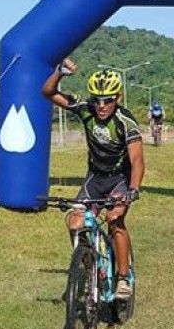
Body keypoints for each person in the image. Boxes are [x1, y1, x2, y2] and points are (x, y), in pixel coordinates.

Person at [42, 58, 145, 300]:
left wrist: (134, 189)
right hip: (95, 179)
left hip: (120, 179)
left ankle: (122, 278)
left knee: (114, 219)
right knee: (75, 223)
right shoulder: (85, 108)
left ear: (117, 98)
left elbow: (138, 160)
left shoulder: (125, 122)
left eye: (107, 100)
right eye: (97, 99)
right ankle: (90, 267)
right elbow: (48, 92)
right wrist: (59, 73)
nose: (101, 105)